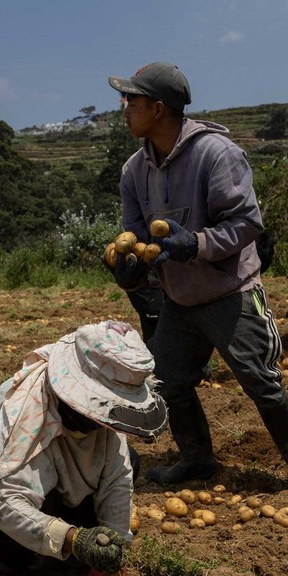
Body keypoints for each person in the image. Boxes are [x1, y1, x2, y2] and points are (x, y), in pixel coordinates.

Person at [104, 62, 287, 486]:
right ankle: (198, 459)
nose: (124, 107)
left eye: (132, 100)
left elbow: (246, 222)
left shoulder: (217, 154)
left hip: (230, 292)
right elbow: (135, 233)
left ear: (158, 109)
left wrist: (198, 245)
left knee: (262, 382)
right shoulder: (134, 170)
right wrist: (130, 269)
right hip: (179, 299)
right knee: (169, 381)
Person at [0, 321, 167, 576]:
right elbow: (7, 501)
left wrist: (109, 559)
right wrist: (74, 540)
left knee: (129, 461)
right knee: (44, 496)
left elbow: (117, 480)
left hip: (42, 487)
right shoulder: (26, 412)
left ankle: (60, 550)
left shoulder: (105, 416)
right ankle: (3, 568)